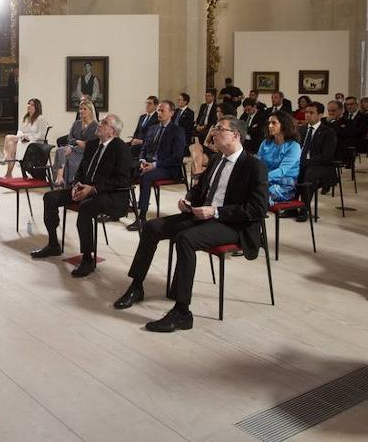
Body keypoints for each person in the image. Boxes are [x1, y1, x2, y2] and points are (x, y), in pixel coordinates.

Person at [112, 117, 269, 332]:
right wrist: (188, 200)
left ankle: (182, 312)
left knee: (185, 239)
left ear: (236, 135)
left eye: (219, 129)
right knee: (151, 227)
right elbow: (200, 189)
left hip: (232, 224)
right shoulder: (216, 159)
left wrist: (215, 211)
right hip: (203, 214)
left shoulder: (254, 166)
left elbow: (258, 209)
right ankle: (137, 285)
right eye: (215, 128)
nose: (213, 133)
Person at [30, 114, 134, 277]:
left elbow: (122, 180)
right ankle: (53, 244)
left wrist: (93, 189)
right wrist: (76, 184)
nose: (99, 124)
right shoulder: (92, 145)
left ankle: (87, 259)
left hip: (111, 195)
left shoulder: (121, 148)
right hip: (84, 189)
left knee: (86, 207)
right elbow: (81, 170)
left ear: (112, 132)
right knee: (50, 197)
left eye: (104, 123)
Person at [128, 100, 186, 230]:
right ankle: (122, 206)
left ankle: (142, 217)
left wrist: (154, 165)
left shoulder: (177, 131)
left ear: (171, 113)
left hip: (168, 168)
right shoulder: (153, 128)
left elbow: (177, 156)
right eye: (158, 110)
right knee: (127, 169)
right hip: (148, 163)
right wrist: (142, 160)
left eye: (162, 110)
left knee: (146, 177)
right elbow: (144, 147)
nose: (159, 113)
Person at [258, 111, 301, 204]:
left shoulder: (294, 146)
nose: (269, 126)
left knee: (258, 194)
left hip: (285, 185)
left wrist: (260, 178)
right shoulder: (265, 143)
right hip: (265, 181)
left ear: (284, 125)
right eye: (269, 123)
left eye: (274, 123)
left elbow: (282, 171)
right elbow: (258, 164)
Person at [54, 99, 98, 186]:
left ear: (90, 111)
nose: (81, 111)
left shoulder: (95, 126)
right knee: (61, 151)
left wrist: (75, 145)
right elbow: (69, 139)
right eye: (80, 109)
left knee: (62, 152)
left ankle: (61, 179)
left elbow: (88, 144)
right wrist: (77, 142)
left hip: (85, 152)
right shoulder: (76, 124)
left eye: (84, 109)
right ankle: (61, 178)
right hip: (72, 148)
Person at [2, 98, 50, 178]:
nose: (29, 106)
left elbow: (41, 135)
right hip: (22, 138)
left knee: (9, 140)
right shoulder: (24, 118)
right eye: (28, 104)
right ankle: (8, 167)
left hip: (34, 142)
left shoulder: (40, 118)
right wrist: (22, 136)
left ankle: (6, 160)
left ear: (37, 107)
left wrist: (29, 138)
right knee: (10, 142)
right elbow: (19, 131)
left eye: (32, 105)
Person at [298, 102, 338, 195]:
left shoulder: (328, 132)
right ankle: (293, 207)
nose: (307, 115)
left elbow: (326, 156)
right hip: (301, 162)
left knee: (309, 175)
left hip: (319, 164)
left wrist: (306, 162)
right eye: (306, 112)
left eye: (311, 113)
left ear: (320, 115)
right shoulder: (301, 130)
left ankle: (305, 206)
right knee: (288, 174)